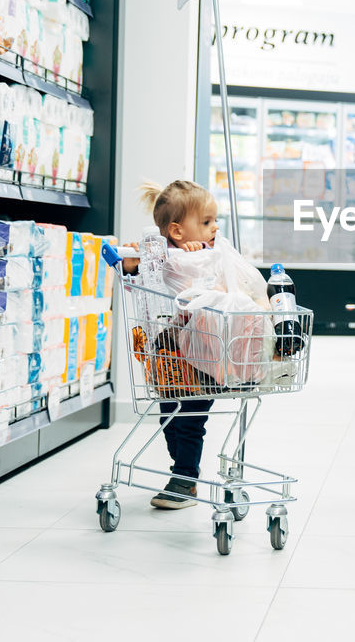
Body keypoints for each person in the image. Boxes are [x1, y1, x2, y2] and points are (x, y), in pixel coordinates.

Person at [133, 179, 221, 509]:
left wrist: (201, 256)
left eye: (215, 221)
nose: (215, 228)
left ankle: (184, 478)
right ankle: (182, 474)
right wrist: (133, 262)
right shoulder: (165, 258)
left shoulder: (209, 257)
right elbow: (143, 277)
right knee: (169, 417)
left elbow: (217, 279)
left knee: (191, 421)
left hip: (206, 356)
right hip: (170, 357)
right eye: (206, 222)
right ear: (177, 232)